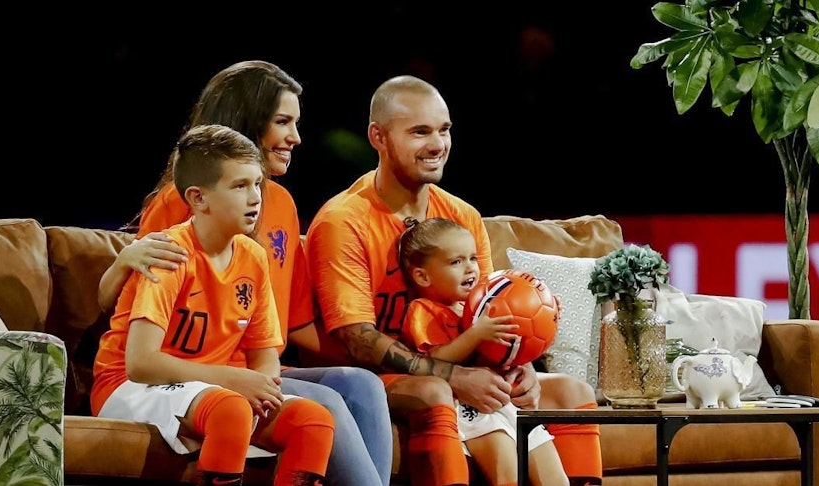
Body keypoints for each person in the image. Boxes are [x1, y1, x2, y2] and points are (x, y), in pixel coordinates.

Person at [96, 60, 391, 486]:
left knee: (360, 384)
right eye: (283, 122)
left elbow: (292, 326)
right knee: (324, 401)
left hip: (243, 363)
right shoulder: (183, 212)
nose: (296, 137)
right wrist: (123, 260)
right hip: (186, 369)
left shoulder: (277, 215)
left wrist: (394, 357)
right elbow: (131, 313)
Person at [305, 74, 602, 486]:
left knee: (572, 391)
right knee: (436, 392)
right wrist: (455, 377)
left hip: (462, 362)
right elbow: (358, 339)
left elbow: (491, 305)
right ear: (378, 136)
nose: (437, 144)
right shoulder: (343, 221)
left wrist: (518, 368)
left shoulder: (462, 215)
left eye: (444, 130)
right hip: (375, 379)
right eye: (419, 132)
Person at [91, 124, 333, 486]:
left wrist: (262, 386)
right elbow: (141, 363)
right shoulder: (169, 253)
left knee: (313, 421)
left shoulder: (253, 256)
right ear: (198, 198)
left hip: (209, 388)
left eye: (257, 184)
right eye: (239, 186)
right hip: (127, 384)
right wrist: (233, 380)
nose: (255, 198)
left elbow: (264, 354)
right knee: (231, 408)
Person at [398, 217, 568, 486]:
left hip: (504, 401)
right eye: (456, 262)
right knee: (507, 475)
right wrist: (476, 334)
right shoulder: (422, 311)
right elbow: (435, 359)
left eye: (473, 259)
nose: (470, 269)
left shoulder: (483, 305)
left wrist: (546, 312)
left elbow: (515, 345)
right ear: (422, 276)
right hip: (471, 408)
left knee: (553, 475)